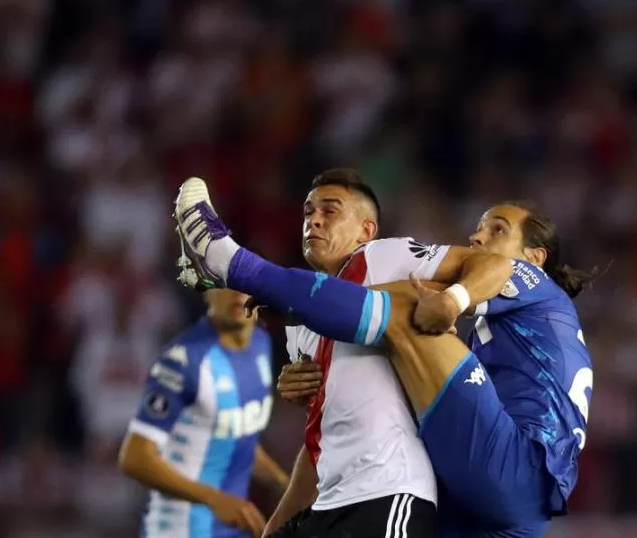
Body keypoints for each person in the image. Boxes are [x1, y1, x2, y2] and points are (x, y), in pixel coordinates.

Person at [174, 177, 593, 538]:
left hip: (515, 466)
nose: (478, 240)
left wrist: (290, 298)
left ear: (535, 256)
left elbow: (417, 300)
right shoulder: (509, 335)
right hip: (504, 505)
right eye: (479, 230)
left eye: (497, 230)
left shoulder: (531, 280)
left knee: (415, 313)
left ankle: (229, 261)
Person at [221, 168, 512, 538]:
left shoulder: (384, 256)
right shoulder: (297, 320)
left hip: (389, 491)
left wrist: (454, 301)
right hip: (329, 501)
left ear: (366, 231)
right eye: (308, 212)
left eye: (330, 211)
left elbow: (494, 265)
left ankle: (223, 256)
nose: (314, 220)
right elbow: (321, 444)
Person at [118, 288, 289, 538]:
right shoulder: (184, 360)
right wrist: (213, 498)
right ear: (207, 293)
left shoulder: (261, 345)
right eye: (225, 284)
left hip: (231, 527)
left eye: (245, 285)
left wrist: (284, 485)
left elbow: (238, 438)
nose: (237, 295)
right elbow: (135, 457)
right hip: (179, 529)